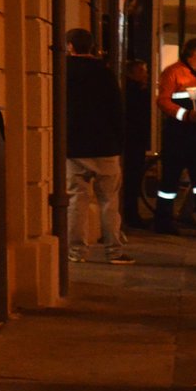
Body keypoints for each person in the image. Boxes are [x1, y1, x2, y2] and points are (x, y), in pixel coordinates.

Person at [63, 28, 133, 265]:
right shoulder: (104, 73)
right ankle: (114, 250)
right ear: (91, 47)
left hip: (74, 147)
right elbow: (117, 110)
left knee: (76, 201)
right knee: (109, 201)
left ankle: (76, 251)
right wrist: (119, 142)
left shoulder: (62, 71)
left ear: (70, 46)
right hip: (105, 147)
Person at [153, 38, 196, 236]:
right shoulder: (173, 72)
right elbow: (163, 101)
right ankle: (163, 221)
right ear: (193, 53)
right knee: (170, 182)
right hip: (178, 134)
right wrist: (184, 114)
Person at [120, 59, 150, 231]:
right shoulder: (134, 92)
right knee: (131, 179)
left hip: (134, 140)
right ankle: (131, 214)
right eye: (141, 71)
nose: (145, 74)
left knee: (132, 179)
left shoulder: (135, 90)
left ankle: (131, 213)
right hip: (133, 141)